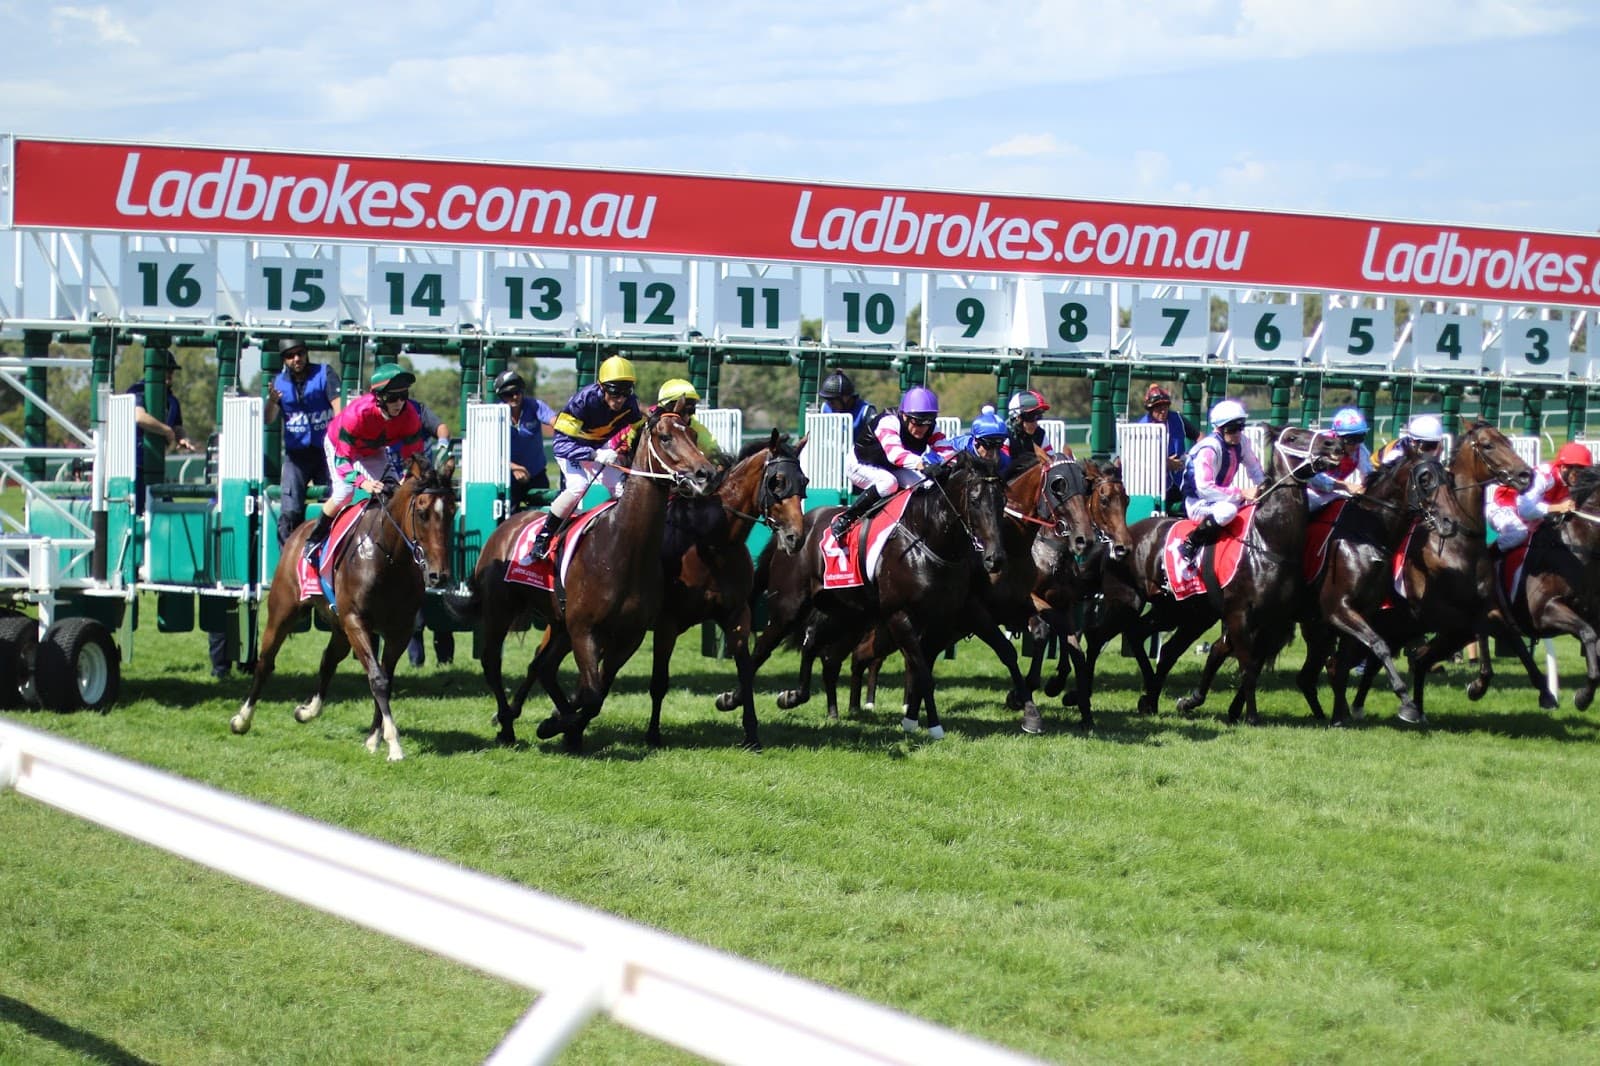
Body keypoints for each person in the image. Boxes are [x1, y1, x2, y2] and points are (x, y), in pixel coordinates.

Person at [302, 363, 425, 559]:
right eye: (393, 397)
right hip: (339, 446)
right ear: (379, 397)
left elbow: (414, 457)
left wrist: (406, 477)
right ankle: (315, 539)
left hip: (373, 449)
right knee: (345, 492)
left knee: (394, 492)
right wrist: (364, 483)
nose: (399, 403)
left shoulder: (410, 416)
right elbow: (343, 461)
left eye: (404, 396)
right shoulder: (357, 415)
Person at [530, 356, 643, 560]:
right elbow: (561, 444)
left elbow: (638, 429)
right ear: (601, 387)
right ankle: (543, 538)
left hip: (600, 447)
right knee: (578, 487)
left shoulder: (630, 404)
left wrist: (626, 449)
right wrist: (594, 454)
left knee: (622, 491)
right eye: (615, 393)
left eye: (625, 393)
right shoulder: (582, 402)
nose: (620, 400)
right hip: (572, 448)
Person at [832, 385, 955, 538]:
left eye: (928, 422)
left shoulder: (929, 427)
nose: (923, 428)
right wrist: (924, 465)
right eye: (917, 422)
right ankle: (846, 518)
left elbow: (947, 451)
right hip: (860, 464)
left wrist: (953, 465)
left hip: (892, 467)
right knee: (888, 483)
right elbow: (895, 454)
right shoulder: (888, 421)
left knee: (927, 485)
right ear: (904, 415)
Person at [264, 338, 342, 545]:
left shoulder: (325, 373)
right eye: (290, 355)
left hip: (326, 452)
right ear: (284, 360)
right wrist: (272, 401)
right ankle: (290, 563)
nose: (296, 358)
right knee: (289, 513)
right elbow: (268, 418)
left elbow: (339, 409)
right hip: (296, 457)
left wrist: (338, 443)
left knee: (334, 505)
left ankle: (331, 556)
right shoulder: (278, 382)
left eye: (300, 353)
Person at [1177, 399, 1264, 562]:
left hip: (1221, 499)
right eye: (1232, 429)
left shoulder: (1242, 442)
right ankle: (1191, 543)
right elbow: (1205, 488)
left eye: (1241, 428)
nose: (1238, 434)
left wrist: (1265, 487)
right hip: (1198, 502)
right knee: (1227, 511)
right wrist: (1243, 493)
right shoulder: (1209, 449)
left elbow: (1255, 469)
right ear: (1219, 428)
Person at [1485, 441, 1589, 552]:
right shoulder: (1545, 476)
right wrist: (1558, 507)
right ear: (1564, 467)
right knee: (1519, 533)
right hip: (1501, 507)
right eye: (1577, 471)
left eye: (1583, 471)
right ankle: (1487, 557)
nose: (1580, 476)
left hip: (1527, 517)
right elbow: (1525, 510)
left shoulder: (1566, 483)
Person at [128, 349, 196, 515]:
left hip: (156, 466)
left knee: (166, 510)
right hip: (133, 466)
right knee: (138, 512)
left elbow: (177, 426)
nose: (169, 376)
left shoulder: (172, 400)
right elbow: (139, 417)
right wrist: (166, 431)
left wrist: (182, 437)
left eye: (171, 371)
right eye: (166, 371)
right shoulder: (137, 391)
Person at [615, 378, 726, 468]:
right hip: (618, 456)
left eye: (691, 410)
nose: (687, 416)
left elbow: (711, 447)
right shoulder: (647, 417)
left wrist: (719, 463)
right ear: (667, 407)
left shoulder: (693, 426)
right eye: (683, 411)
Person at [495, 369, 557, 511]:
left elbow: (555, 420)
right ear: (501, 396)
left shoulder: (534, 406)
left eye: (518, 392)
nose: (515, 397)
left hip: (537, 474)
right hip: (507, 476)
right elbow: (487, 450)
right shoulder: (494, 414)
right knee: (507, 516)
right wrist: (512, 467)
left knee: (544, 515)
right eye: (509, 394)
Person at [1137, 384, 1199, 514]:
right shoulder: (1142, 427)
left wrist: (1206, 451)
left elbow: (1198, 436)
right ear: (1150, 408)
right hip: (1152, 483)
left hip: (1180, 478)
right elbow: (1140, 459)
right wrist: (1163, 463)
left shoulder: (1177, 418)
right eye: (1158, 407)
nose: (1163, 411)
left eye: (1165, 406)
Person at [1306, 407, 1372, 512]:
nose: (1356, 444)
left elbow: (1368, 473)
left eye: (1360, 438)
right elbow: (1313, 479)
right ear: (1337, 437)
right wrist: (1344, 485)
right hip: (1307, 492)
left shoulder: (1360, 449)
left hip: (1332, 493)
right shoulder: (1319, 445)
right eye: (1351, 440)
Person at [947, 405, 1012, 476]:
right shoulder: (959, 447)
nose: (993, 452)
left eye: (998, 445)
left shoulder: (1004, 461)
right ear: (976, 441)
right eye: (989, 444)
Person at [817, 369, 877, 433]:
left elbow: (874, 437)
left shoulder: (866, 411)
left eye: (832, 401)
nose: (830, 405)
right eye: (828, 400)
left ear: (846, 398)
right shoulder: (825, 408)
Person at [1005, 388, 1054, 463]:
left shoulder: (1040, 434)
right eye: (1030, 416)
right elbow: (1003, 466)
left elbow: (1051, 461)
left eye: (1038, 416)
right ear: (1016, 417)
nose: (1035, 423)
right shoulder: (1005, 434)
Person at [1378, 412, 1446, 465]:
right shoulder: (1398, 452)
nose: (1432, 452)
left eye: (1435, 445)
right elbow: (1384, 470)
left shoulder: (1439, 447)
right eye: (1428, 446)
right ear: (1414, 442)